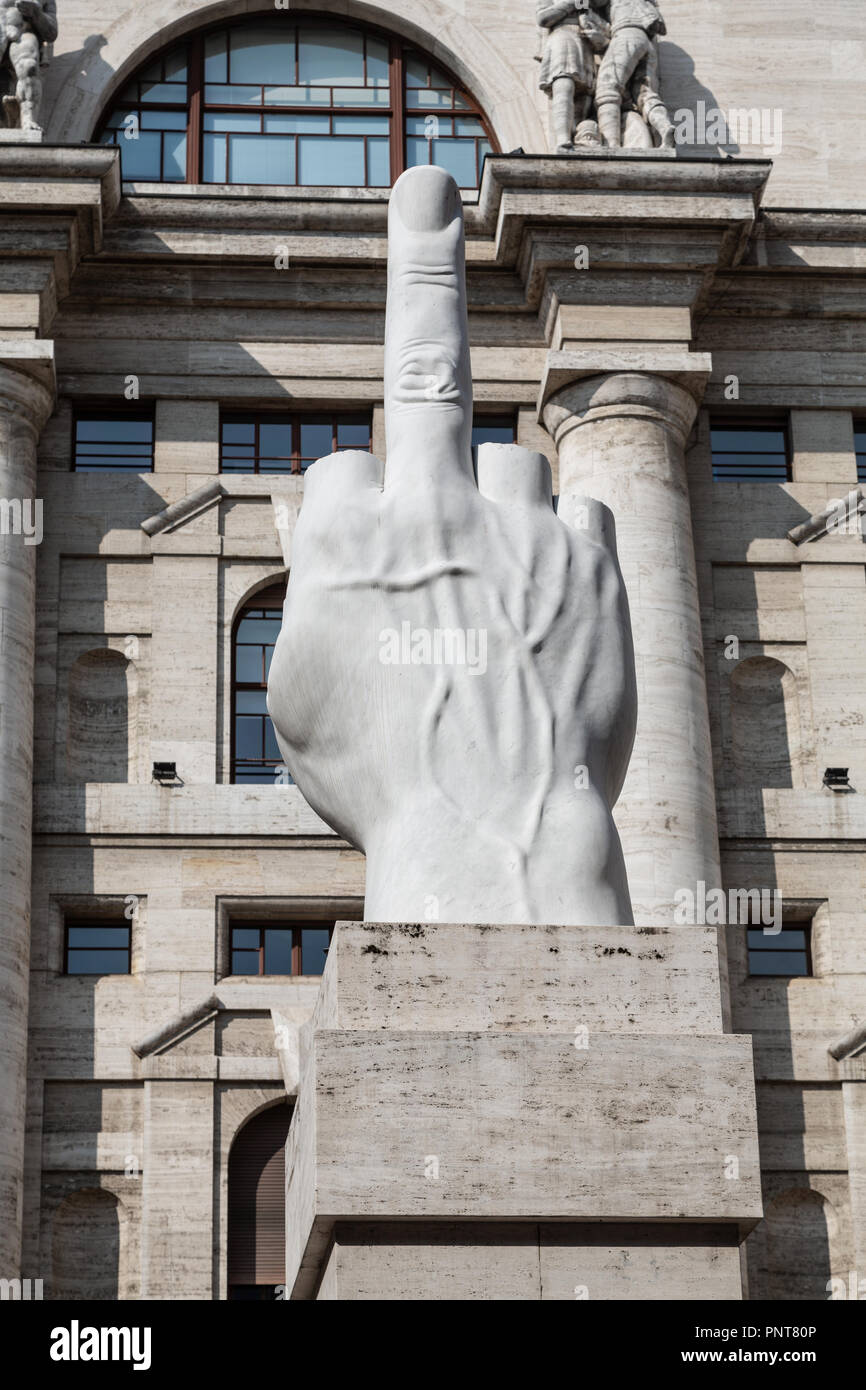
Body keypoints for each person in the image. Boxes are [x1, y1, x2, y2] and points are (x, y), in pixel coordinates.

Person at [594, 0, 673, 148]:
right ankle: (665, 128)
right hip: (647, 42)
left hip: (626, 36)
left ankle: (611, 145)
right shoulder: (644, 3)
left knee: (607, 88)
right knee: (645, 94)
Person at [537, 1, 610, 152]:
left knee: (585, 94)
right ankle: (563, 138)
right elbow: (543, 18)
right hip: (562, 36)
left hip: (585, 44)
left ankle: (577, 139)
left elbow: (607, 29)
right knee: (564, 83)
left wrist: (598, 34)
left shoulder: (589, 5)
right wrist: (573, 3)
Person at [0, 0, 58, 133]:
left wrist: (36, 13)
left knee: (29, 66)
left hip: (23, 34)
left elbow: (51, 33)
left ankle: (28, 119)